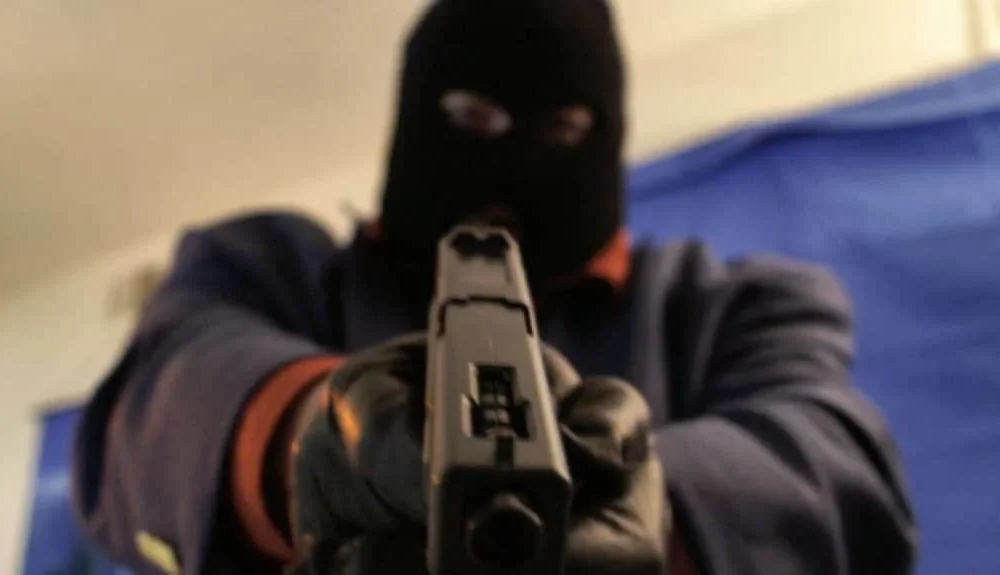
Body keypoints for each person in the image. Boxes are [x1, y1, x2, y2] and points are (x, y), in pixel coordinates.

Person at [71, 0, 918, 574]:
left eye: (562, 129)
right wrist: (312, 438)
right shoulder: (271, 266)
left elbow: (839, 469)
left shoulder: (733, 305)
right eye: (473, 118)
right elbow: (151, 407)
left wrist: (650, 516)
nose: (511, 161)